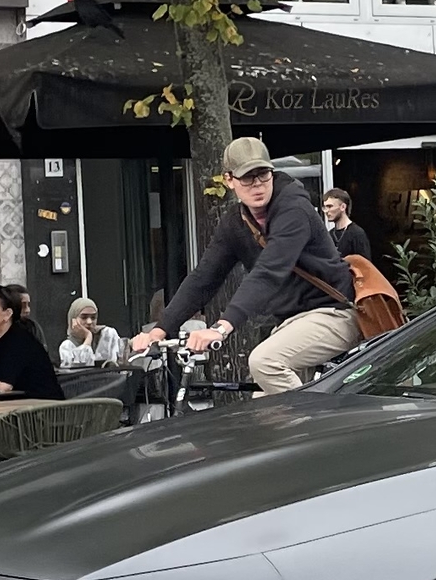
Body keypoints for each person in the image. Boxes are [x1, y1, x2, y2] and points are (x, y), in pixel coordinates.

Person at [130, 137, 357, 395]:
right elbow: (204, 278)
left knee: (265, 362)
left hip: (335, 314)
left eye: (263, 175)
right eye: (247, 178)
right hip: (292, 323)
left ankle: (322, 432)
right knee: (264, 411)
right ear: (229, 180)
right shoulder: (235, 223)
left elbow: (268, 272)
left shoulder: (294, 209)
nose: (257, 185)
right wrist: (160, 330)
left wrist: (221, 328)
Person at [57, 297, 125, 368]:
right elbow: (83, 371)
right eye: (83, 317)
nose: (89, 322)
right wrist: (88, 338)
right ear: (73, 320)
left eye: (93, 317)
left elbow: (121, 360)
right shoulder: (66, 347)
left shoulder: (108, 335)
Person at [321, 188, 373, 260]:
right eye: (325, 207)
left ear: (343, 207)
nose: (326, 211)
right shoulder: (329, 235)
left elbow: (365, 265)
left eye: (330, 206)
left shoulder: (357, 234)